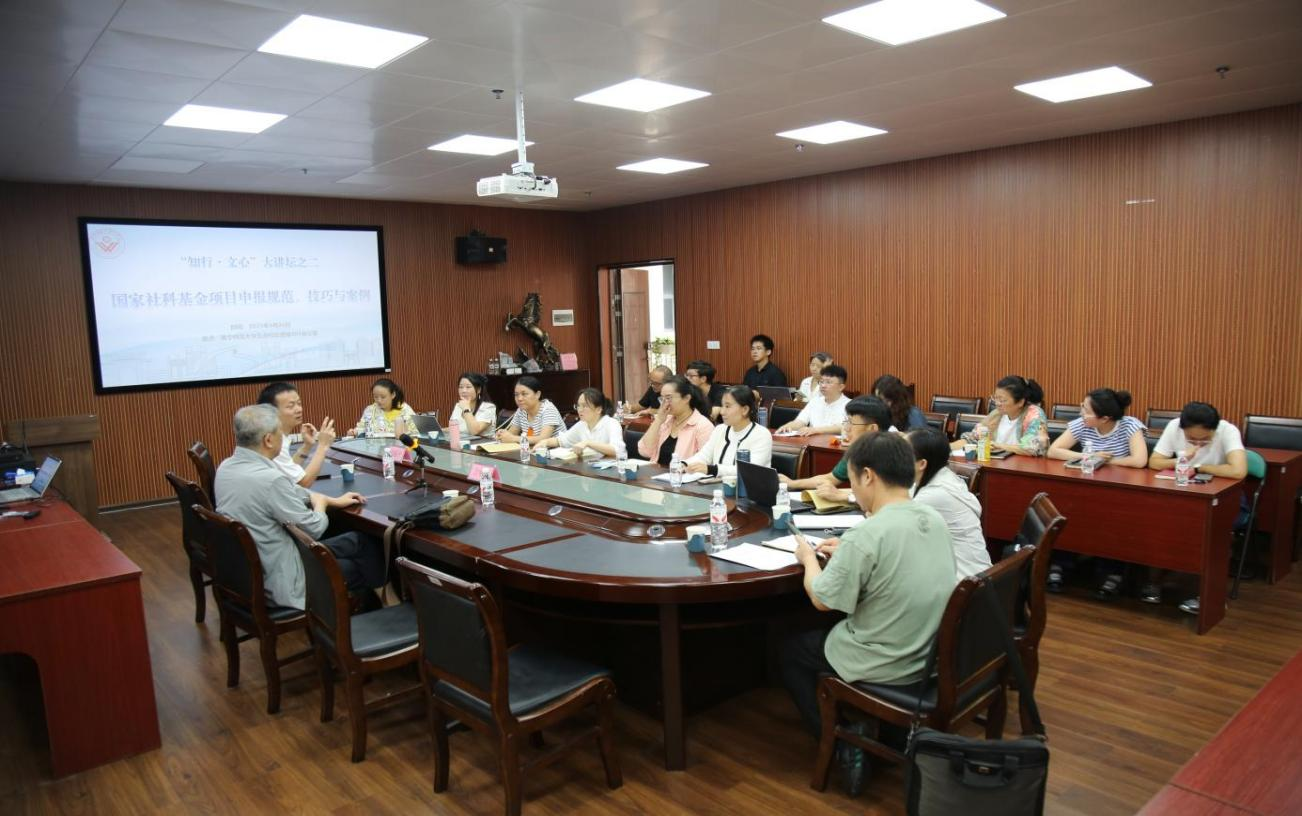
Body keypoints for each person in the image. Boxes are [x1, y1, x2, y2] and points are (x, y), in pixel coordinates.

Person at [781, 432, 956, 795]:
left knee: (791, 649)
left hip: (887, 660)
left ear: (868, 476)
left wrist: (808, 559)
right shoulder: (932, 517)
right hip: (930, 651)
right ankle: (874, 728)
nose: (853, 491)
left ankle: (841, 744)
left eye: (852, 480)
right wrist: (848, 549)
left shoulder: (868, 534)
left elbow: (822, 600)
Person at [214, 404, 383, 610]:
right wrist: (321, 504)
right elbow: (314, 529)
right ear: (268, 440)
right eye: (280, 434)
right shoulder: (270, 480)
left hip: (249, 570)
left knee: (358, 541)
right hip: (283, 579)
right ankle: (368, 613)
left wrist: (332, 501)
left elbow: (293, 491)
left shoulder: (226, 467)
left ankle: (370, 605)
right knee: (363, 563)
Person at [1046, 388, 1148, 599]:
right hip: (1085, 488)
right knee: (1066, 513)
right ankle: (1061, 564)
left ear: (1105, 418)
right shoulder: (1082, 424)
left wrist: (1106, 461)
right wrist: (1089, 456)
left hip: (1119, 493)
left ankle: (1112, 572)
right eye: (1082, 407)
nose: (1081, 413)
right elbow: (1054, 450)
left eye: (1086, 410)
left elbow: (1139, 460)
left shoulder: (1129, 425)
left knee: (1115, 523)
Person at [1148, 401, 1248, 614]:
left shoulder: (1228, 431)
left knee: (1208, 531)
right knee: (1157, 521)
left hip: (1223, 499)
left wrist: (1198, 467)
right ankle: (1154, 581)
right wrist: (1182, 459)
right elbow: (1155, 462)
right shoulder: (1174, 426)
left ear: (1214, 429)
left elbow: (1238, 470)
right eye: (1191, 439)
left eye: (1204, 440)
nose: (1198, 444)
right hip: (1183, 495)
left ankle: (1206, 594)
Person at [907, 428, 991, 579]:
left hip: (964, 582)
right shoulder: (943, 475)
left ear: (922, 464)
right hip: (970, 574)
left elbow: (892, 525)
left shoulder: (934, 494)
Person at [780, 396, 893, 506]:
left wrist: (843, 496)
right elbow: (830, 478)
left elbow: (888, 496)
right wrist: (792, 483)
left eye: (851, 423)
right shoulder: (856, 451)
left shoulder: (892, 453)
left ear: (872, 429)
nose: (846, 428)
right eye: (846, 422)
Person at [686, 385, 773, 480]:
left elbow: (749, 469)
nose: (722, 412)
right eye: (722, 406)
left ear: (745, 410)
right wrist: (684, 464)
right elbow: (703, 456)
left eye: (727, 406)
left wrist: (712, 470)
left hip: (749, 488)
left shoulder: (761, 435)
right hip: (716, 486)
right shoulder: (720, 430)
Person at [257, 381, 334, 488]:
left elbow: (288, 472)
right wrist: (323, 446)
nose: (299, 409)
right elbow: (303, 483)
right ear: (271, 412)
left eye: (299, 403)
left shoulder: (276, 436)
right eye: (291, 406)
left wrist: (307, 446)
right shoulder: (270, 442)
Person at [951, 375, 1048, 455]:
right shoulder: (997, 414)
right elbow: (973, 439)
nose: (997, 403)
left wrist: (999, 446)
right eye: (995, 398)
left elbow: (1034, 447)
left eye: (1002, 400)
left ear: (1020, 402)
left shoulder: (1034, 414)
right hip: (996, 465)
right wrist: (946, 448)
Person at [636, 375, 714, 466]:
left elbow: (705, 462)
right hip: (656, 473)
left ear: (686, 398)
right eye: (662, 399)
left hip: (683, 474)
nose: (664, 404)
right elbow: (644, 451)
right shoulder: (665, 421)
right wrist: (658, 420)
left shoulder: (703, 426)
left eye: (668, 398)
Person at [533, 388, 624, 458]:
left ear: (598, 409)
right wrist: (545, 442)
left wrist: (588, 443)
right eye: (578, 406)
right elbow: (561, 441)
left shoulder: (612, 424)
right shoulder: (582, 424)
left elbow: (617, 450)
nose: (580, 410)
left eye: (585, 406)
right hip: (590, 469)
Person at [777, 363, 849, 436]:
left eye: (828, 382)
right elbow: (800, 421)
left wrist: (815, 430)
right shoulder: (815, 401)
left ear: (841, 387)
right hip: (812, 441)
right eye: (821, 381)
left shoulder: (849, 405)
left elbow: (843, 427)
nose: (823, 385)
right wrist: (787, 426)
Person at [495, 375, 563, 443]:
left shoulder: (548, 409)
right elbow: (511, 434)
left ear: (537, 394)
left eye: (524, 394)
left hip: (555, 449)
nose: (519, 399)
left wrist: (514, 438)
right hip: (532, 448)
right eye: (516, 394)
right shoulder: (521, 410)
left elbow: (543, 438)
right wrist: (502, 435)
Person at [351, 377, 416, 438]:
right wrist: (354, 432)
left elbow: (415, 432)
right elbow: (361, 428)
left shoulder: (405, 409)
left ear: (393, 395)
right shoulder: (370, 410)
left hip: (400, 445)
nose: (379, 400)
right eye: (376, 397)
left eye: (383, 397)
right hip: (376, 445)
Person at [451, 371, 496, 437]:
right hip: (462, 442)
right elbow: (454, 429)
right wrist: (439, 430)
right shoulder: (458, 405)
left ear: (479, 390)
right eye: (461, 387)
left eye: (468, 387)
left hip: (483, 443)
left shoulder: (488, 407)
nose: (464, 391)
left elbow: (474, 431)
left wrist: (466, 408)